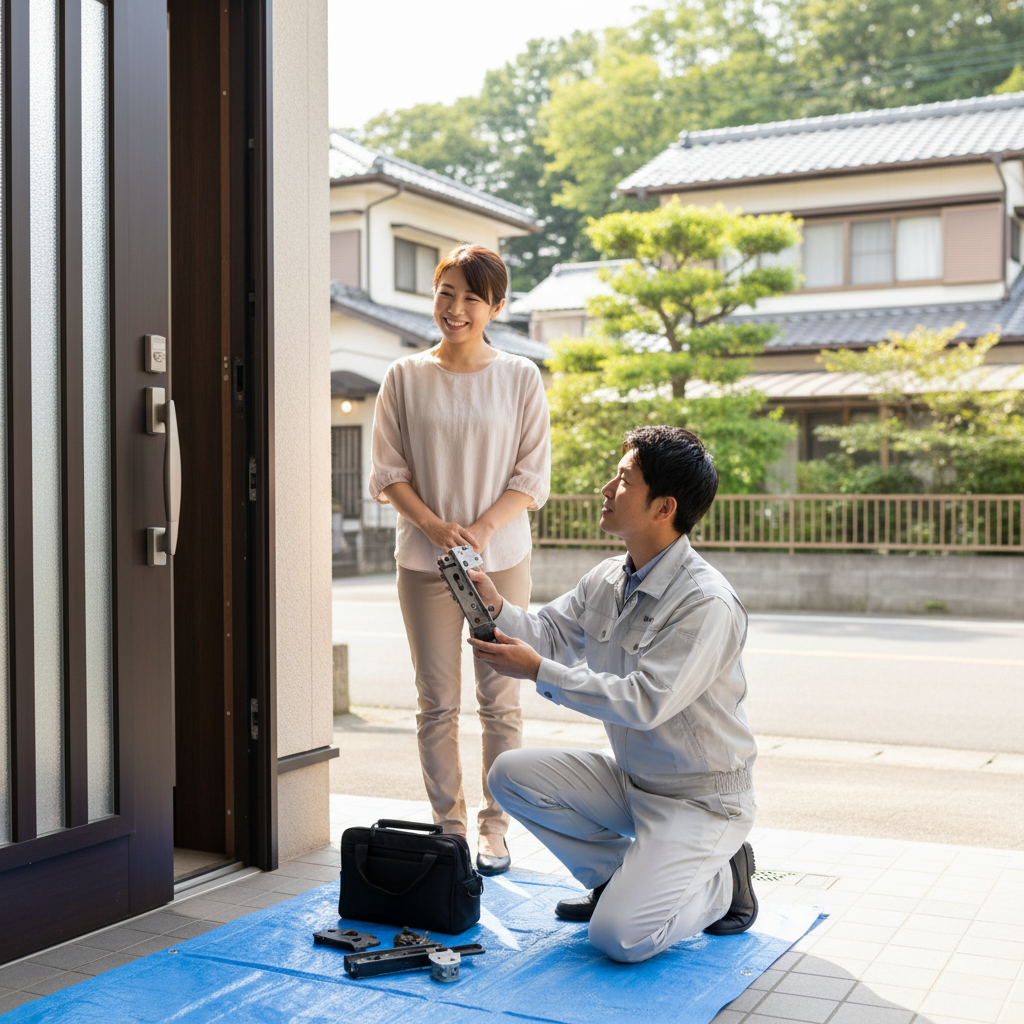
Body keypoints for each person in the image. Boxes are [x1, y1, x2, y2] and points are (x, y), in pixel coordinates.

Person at [466, 426, 757, 963]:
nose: (606, 488)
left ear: (663, 507)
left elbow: (645, 702)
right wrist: (495, 605)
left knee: (619, 938)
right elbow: (550, 634)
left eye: (623, 480)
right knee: (510, 774)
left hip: (702, 798)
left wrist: (538, 672)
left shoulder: (705, 603)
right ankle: (617, 880)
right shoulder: (608, 577)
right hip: (636, 782)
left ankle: (724, 885)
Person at [368, 244, 550, 876]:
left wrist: (479, 528)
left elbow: (532, 477)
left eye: (473, 298)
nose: (457, 308)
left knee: (501, 701)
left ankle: (495, 829)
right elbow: (388, 473)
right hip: (424, 564)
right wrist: (434, 526)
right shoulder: (404, 377)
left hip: (499, 562)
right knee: (437, 703)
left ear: (495, 307)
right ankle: (449, 829)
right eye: (447, 293)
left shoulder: (521, 376)